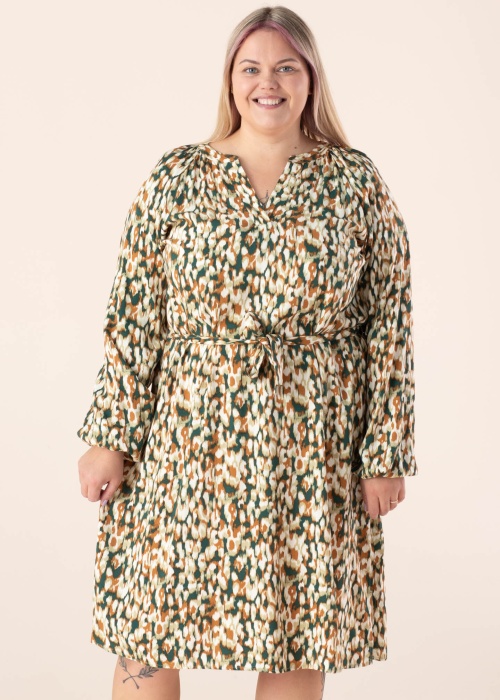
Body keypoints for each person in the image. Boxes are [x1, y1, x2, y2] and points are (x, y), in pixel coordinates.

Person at [77, 5, 418, 699]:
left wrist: (384, 453)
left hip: (312, 441)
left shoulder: (354, 181)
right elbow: (134, 315)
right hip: (186, 437)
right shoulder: (177, 176)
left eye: (287, 67)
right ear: (230, 80)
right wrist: (110, 436)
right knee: (151, 624)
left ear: (311, 79)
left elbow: (390, 323)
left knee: (297, 629)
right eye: (252, 68)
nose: (269, 83)